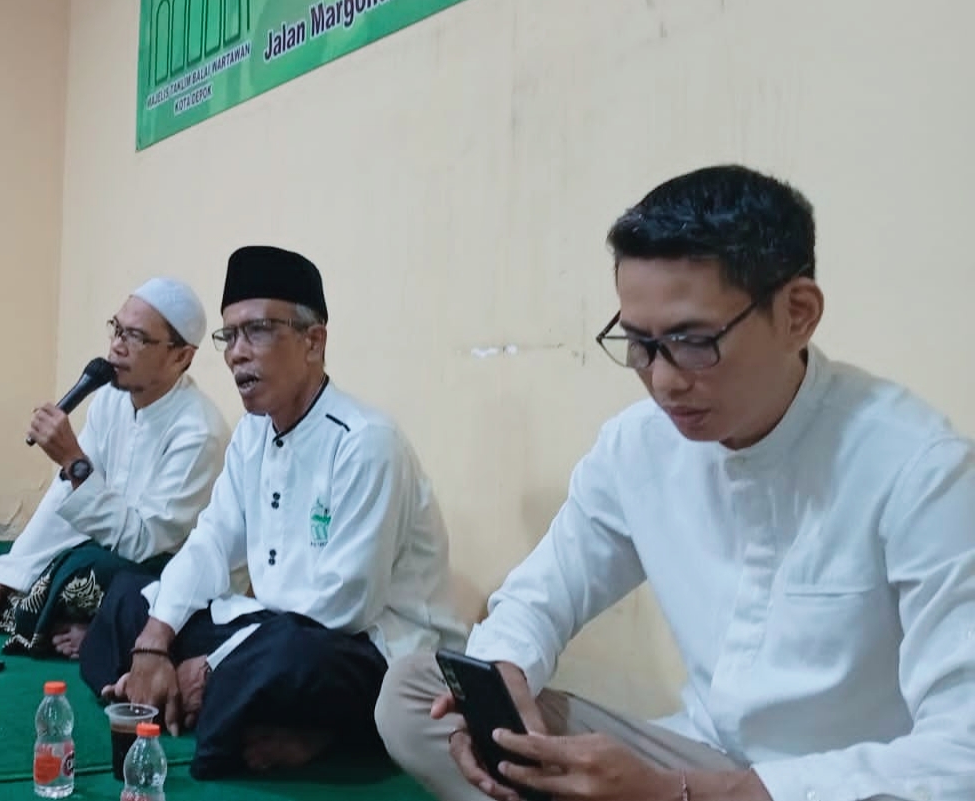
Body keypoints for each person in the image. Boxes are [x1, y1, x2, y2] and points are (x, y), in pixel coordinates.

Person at [375, 165, 975, 801]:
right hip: (694, 754)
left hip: (834, 785)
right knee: (421, 695)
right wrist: (502, 680)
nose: (663, 381)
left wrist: (679, 794)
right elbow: (540, 595)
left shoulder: (920, 470)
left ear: (798, 314)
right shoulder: (639, 446)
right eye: (640, 343)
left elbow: (960, 751)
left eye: (693, 342)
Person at [81, 246, 466, 779]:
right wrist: (155, 642)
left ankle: (284, 718)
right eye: (230, 335)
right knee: (129, 598)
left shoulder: (366, 443)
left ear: (314, 341)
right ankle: (199, 696)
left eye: (258, 331)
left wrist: (212, 664)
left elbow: (343, 606)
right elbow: (212, 541)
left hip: (369, 648)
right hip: (272, 629)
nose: (237, 354)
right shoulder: (253, 434)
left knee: (286, 659)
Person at [0, 278, 229, 659]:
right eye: (117, 329)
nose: (117, 346)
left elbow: (144, 543)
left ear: (181, 356)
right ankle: (68, 616)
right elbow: (66, 498)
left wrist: (74, 464)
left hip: (163, 572)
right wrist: (2, 582)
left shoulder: (199, 432)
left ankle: (107, 627)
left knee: (86, 571)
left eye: (136, 337)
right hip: (113, 551)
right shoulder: (110, 399)